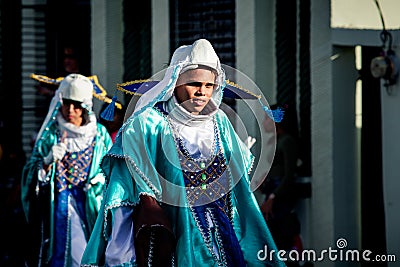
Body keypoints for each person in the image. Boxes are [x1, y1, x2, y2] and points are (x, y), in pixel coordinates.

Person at [81, 39, 285, 267]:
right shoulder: (148, 124)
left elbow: (240, 193)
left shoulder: (220, 122)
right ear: (174, 82)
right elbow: (125, 191)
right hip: (175, 239)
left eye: (209, 86)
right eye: (194, 83)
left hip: (224, 234)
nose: (202, 92)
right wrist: (120, 255)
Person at [21, 73, 113, 267]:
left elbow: (113, 171)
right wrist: (46, 163)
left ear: (86, 106)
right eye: (67, 103)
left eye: (77, 105)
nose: (71, 110)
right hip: (59, 206)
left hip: (91, 207)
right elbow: (31, 177)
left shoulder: (99, 135)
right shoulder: (51, 135)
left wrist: (100, 180)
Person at [259, 104, 302, 265]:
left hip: (280, 201)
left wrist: (273, 198)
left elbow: (288, 176)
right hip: (271, 197)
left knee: (283, 241)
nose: (264, 123)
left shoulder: (287, 142)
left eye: (267, 119)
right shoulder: (273, 143)